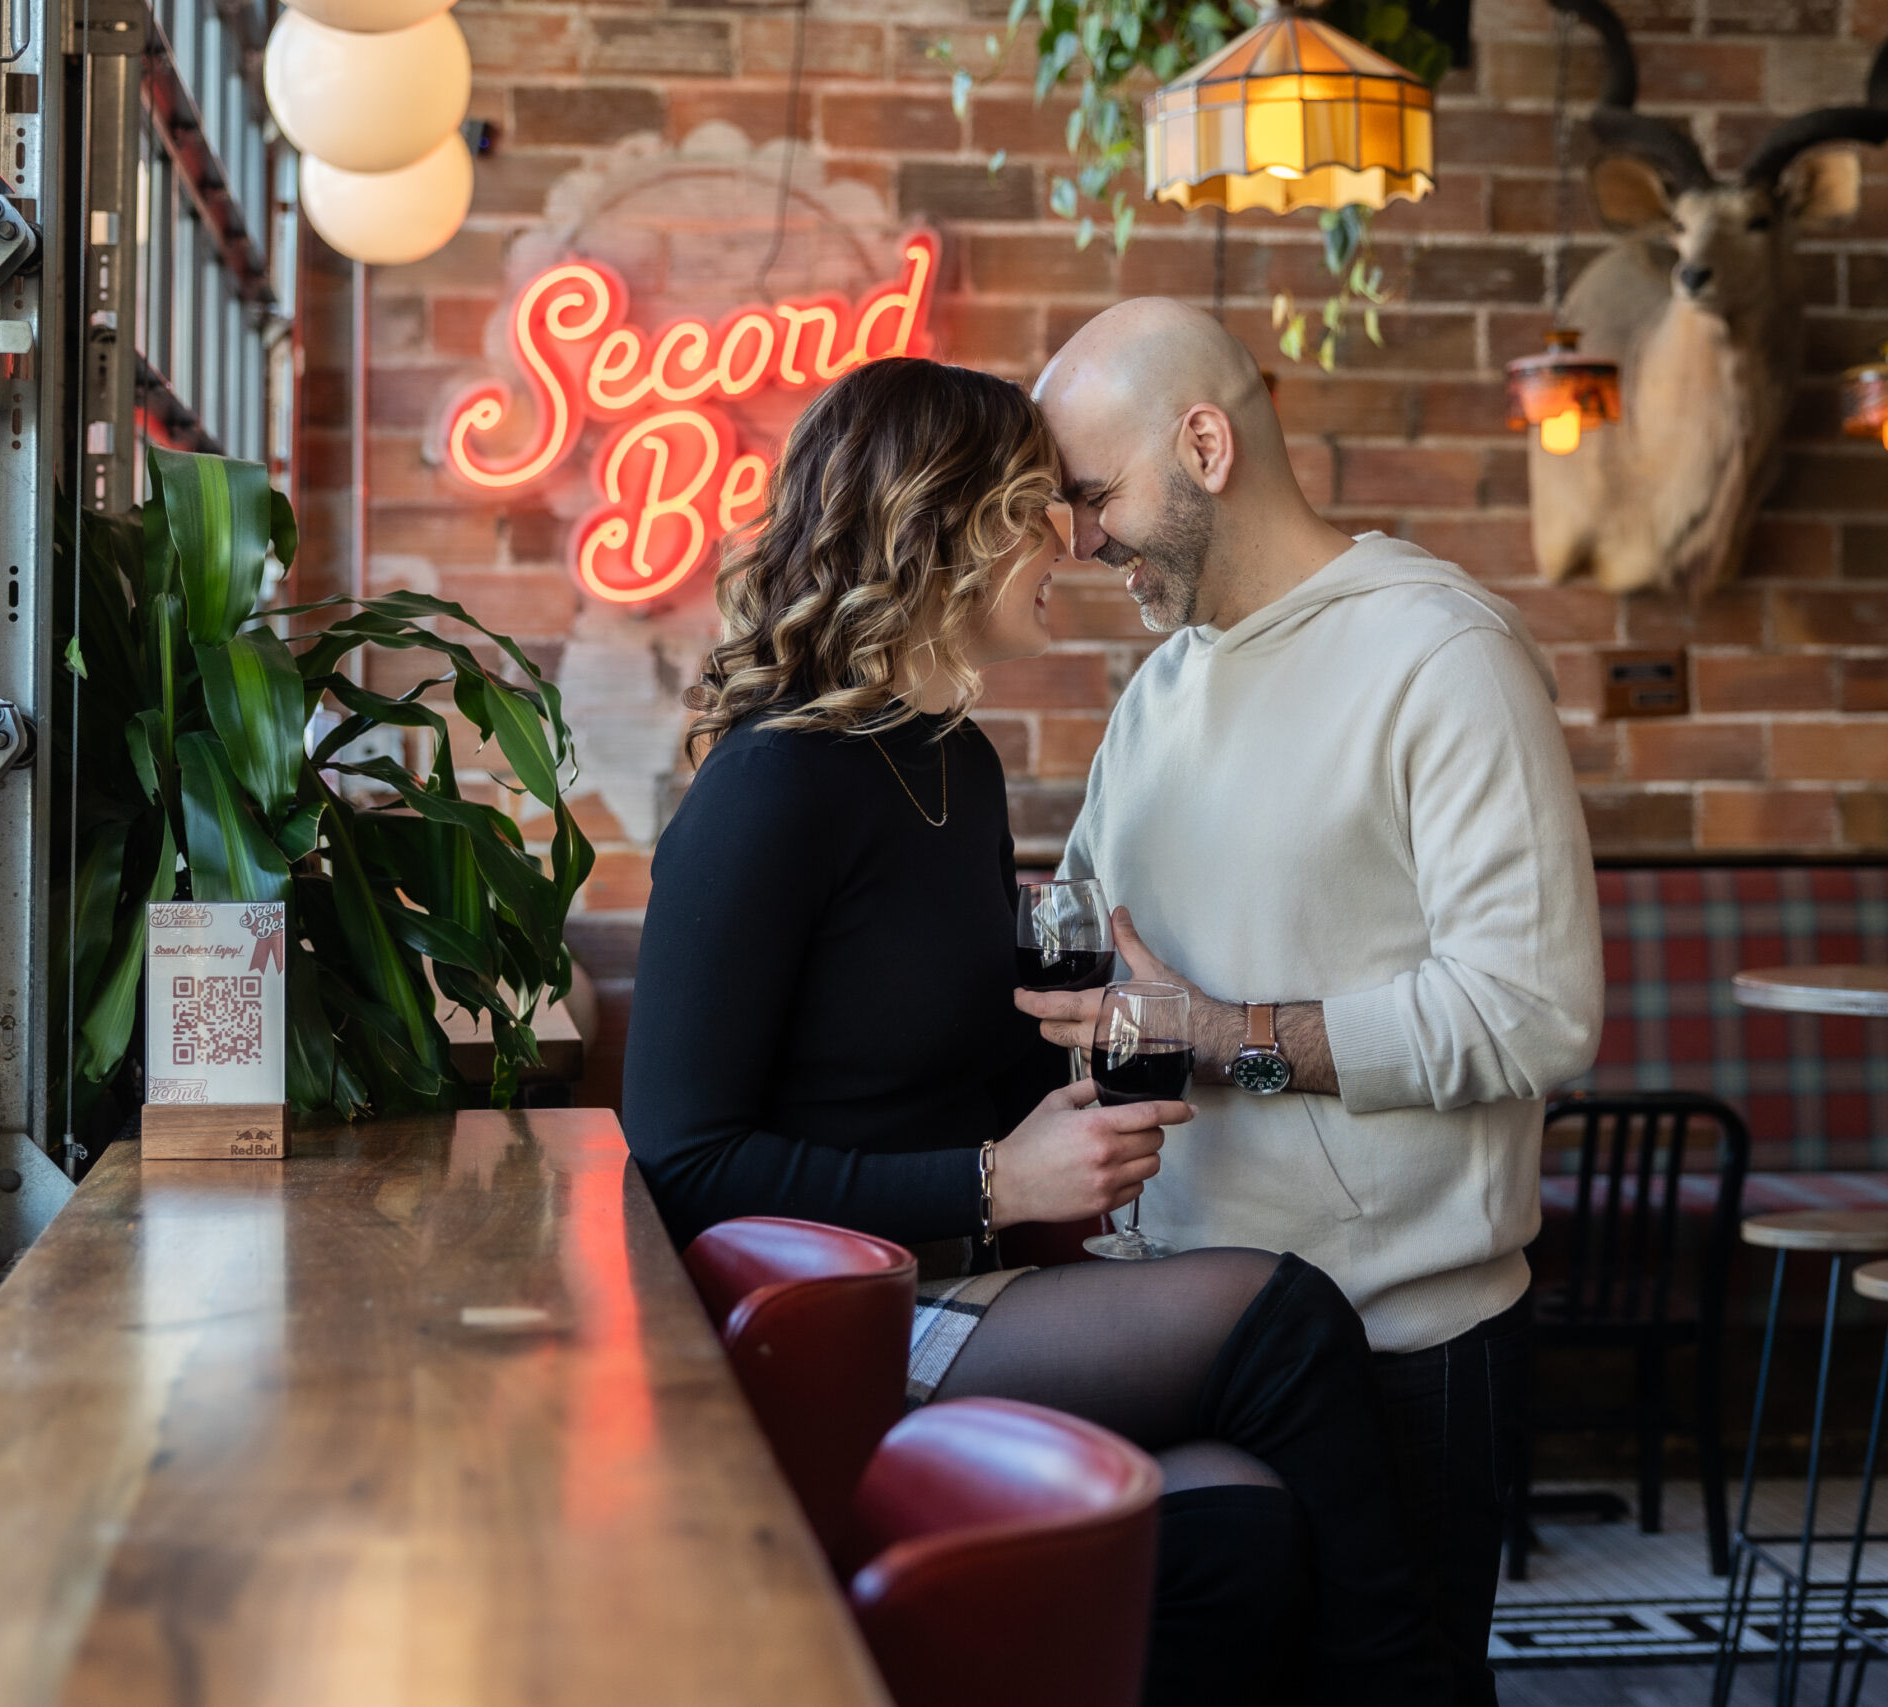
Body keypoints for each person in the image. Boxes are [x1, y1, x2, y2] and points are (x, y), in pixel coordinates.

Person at [623, 355, 1450, 1706]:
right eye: (1031, 505)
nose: (1072, 537)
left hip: (957, 1284)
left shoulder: (954, 760)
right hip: (825, 1334)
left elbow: (965, 1055)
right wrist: (994, 1181)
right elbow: (682, 1164)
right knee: (1284, 1321)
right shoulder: (772, 787)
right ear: (938, 527)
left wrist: (1125, 1046)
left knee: (1239, 1523)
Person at [1015, 298, 1606, 1707]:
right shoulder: (1158, 691)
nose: (1078, 543)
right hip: (1181, 1326)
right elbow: (1081, 938)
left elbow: (1533, 1011)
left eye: (1093, 498)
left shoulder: (1441, 655)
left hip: (1401, 1344)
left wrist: (1229, 1039)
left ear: (1206, 445)